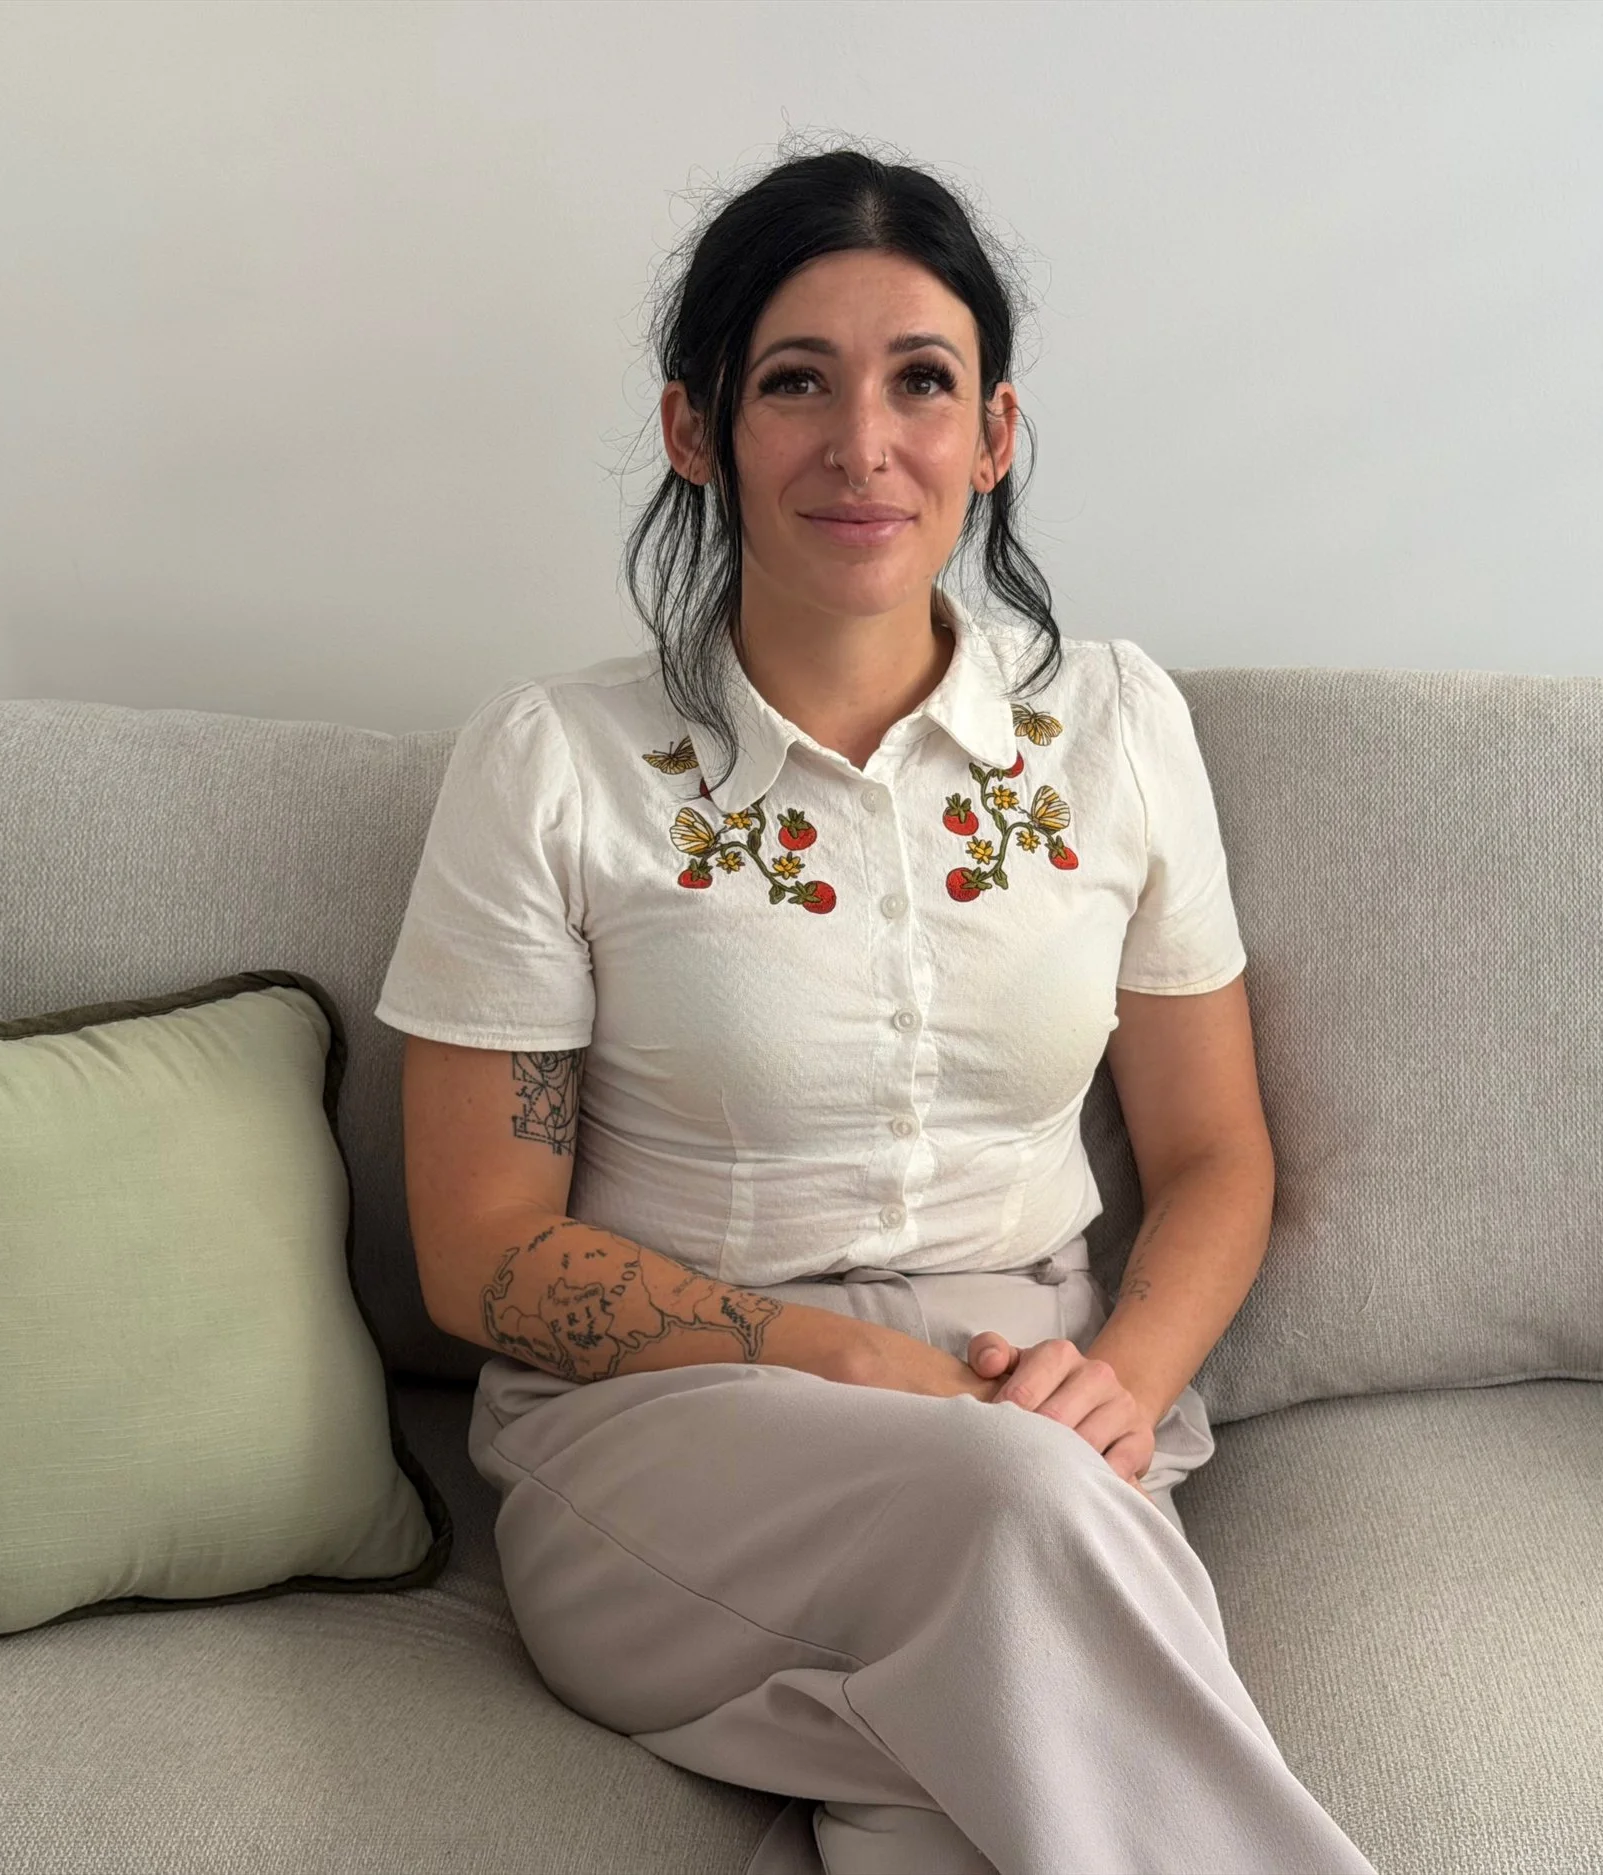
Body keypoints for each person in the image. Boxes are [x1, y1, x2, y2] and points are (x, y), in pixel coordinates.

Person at [377, 147, 1380, 1875]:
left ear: (993, 435)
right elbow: (478, 1252)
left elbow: (1217, 1151)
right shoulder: (553, 764)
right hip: (669, 1427)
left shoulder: (1119, 730)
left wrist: (1118, 1389)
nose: (863, 444)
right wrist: (850, 1360)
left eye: (921, 381)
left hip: (1036, 1404)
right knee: (1013, 1508)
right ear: (696, 430)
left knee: (957, 1778)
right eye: (795, 383)